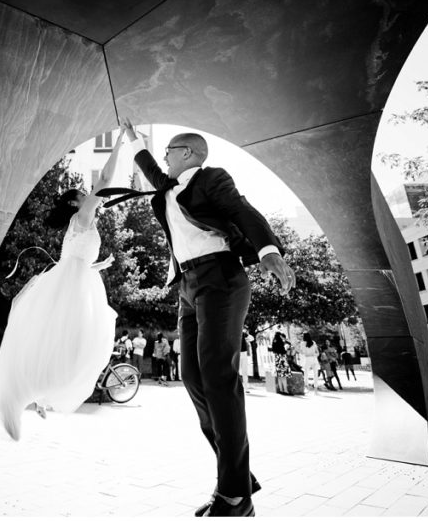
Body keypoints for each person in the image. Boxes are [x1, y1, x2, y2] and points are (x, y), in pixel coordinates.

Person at [114, 119, 295, 517]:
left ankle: (234, 495)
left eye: (168, 153)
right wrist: (133, 140)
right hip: (188, 287)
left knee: (218, 378)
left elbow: (241, 210)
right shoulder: (169, 188)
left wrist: (267, 250)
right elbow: (153, 171)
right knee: (193, 378)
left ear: (187, 154)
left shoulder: (212, 178)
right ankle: (238, 478)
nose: (164, 159)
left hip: (221, 278)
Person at [0, 128, 127, 440]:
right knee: (76, 345)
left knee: (65, 344)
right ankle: (36, 394)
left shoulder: (78, 222)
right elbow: (105, 179)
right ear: (78, 202)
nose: (89, 194)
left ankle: (39, 395)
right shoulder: (83, 214)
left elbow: (73, 258)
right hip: (75, 284)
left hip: (75, 278)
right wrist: (119, 141)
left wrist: (97, 265)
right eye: (84, 193)